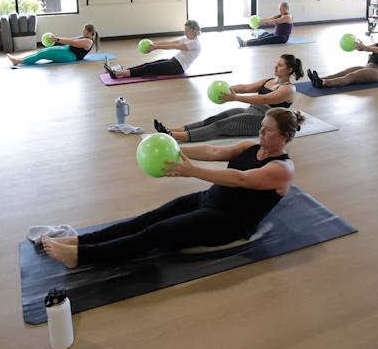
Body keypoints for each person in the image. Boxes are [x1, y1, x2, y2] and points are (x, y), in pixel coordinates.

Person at [41, 107, 301, 268]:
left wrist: (192, 171)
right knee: (148, 217)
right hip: (209, 199)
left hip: (228, 222)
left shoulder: (281, 170)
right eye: (261, 128)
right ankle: (78, 240)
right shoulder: (250, 147)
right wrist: (174, 149)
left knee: (157, 232)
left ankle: (80, 256)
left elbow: (240, 179)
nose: (260, 133)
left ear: (285, 137)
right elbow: (213, 150)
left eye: (267, 131)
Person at [155, 54, 304, 142]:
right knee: (212, 119)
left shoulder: (288, 89)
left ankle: (172, 136)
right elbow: (246, 87)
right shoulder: (270, 80)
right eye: (276, 64)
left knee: (219, 126)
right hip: (250, 110)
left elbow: (263, 100)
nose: (275, 67)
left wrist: (235, 98)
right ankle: (171, 129)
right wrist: (228, 89)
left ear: (289, 70)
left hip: (262, 121)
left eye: (280, 65)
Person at [307, 22, 378, 88]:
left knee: (352, 76)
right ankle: (318, 79)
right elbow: (367, 48)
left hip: (377, 73)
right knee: (343, 72)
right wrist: (359, 46)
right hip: (366, 67)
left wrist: (364, 47)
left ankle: (324, 83)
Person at [105, 19, 202, 78]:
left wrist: (156, 47)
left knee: (149, 68)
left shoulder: (195, 44)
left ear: (193, 31)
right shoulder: (186, 38)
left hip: (178, 67)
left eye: (187, 30)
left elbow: (175, 46)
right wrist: (153, 44)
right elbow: (170, 42)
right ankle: (121, 71)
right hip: (174, 61)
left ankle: (117, 74)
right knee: (148, 64)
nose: (185, 32)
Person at [8, 23, 99, 65]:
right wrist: (56, 38)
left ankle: (19, 61)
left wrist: (56, 39)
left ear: (90, 32)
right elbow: (70, 39)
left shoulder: (88, 42)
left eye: (85, 30)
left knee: (42, 54)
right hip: (66, 50)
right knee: (41, 51)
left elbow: (72, 42)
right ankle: (19, 59)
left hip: (70, 56)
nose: (83, 31)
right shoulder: (85, 37)